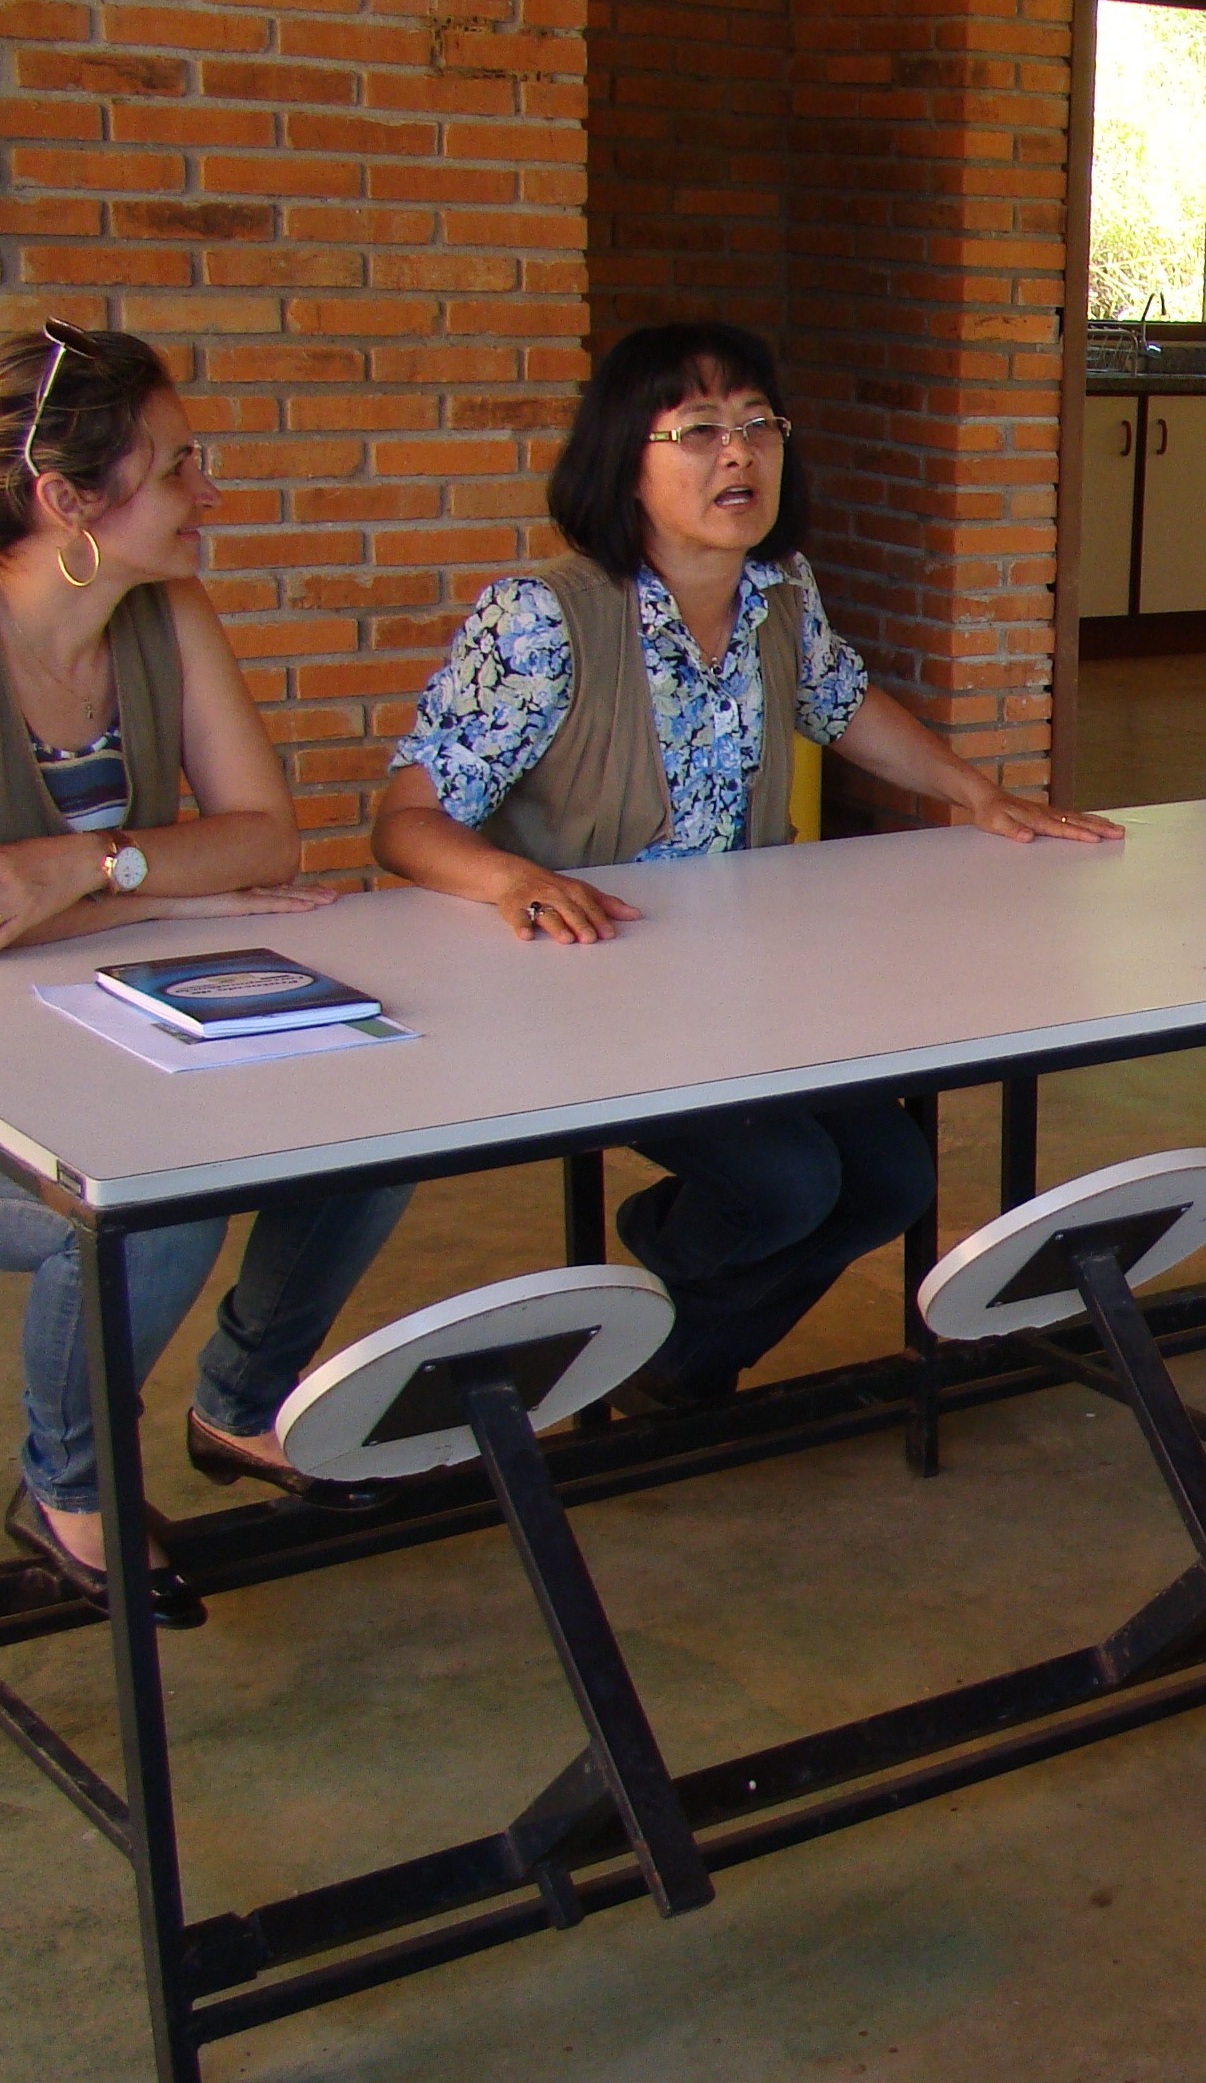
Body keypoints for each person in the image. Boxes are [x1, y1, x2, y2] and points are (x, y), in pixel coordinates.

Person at [374, 321, 1121, 1408]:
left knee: (895, 1176)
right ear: (624, 459)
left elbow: (842, 702)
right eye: (699, 430)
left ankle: (669, 1366)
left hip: (751, 985)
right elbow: (404, 822)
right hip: (599, 993)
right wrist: (512, 881)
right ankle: (672, 1292)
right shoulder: (545, 618)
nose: (740, 454)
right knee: (786, 1184)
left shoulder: (781, 589)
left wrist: (978, 794)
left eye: (760, 425)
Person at [0, 324, 409, 1622]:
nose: (210, 495)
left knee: (385, 1116)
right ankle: (71, 1487)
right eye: (180, 468)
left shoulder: (163, 610)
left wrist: (84, 870)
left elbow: (268, 835)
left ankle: (239, 1408)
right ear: (71, 503)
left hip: (99, 1013)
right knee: (155, 1202)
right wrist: (184, 886)